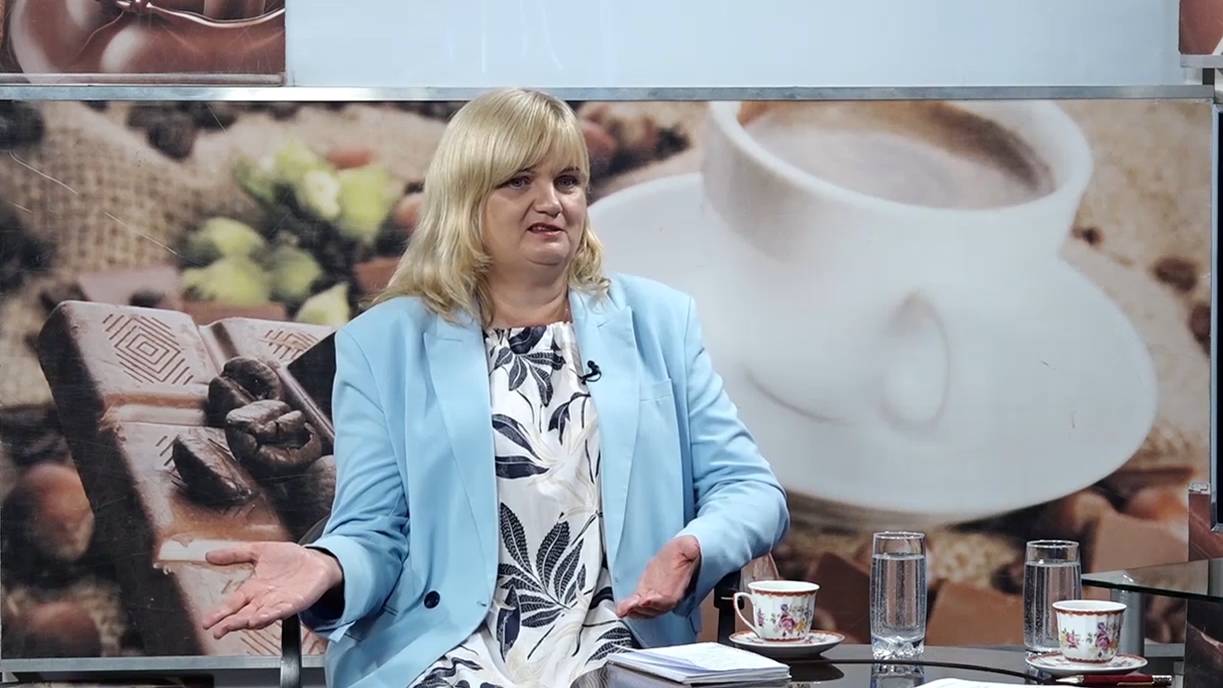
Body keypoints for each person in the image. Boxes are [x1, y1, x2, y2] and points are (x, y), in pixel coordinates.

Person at [201, 88, 789, 688]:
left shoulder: (659, 322)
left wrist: (695, 545)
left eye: (567, 181)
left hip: (615, 642)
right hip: (449, 647)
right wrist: (326, 565)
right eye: (518, 182)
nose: (551, 202)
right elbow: (373, 530)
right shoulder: (381, 344)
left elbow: (751, 489)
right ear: (466, 199)